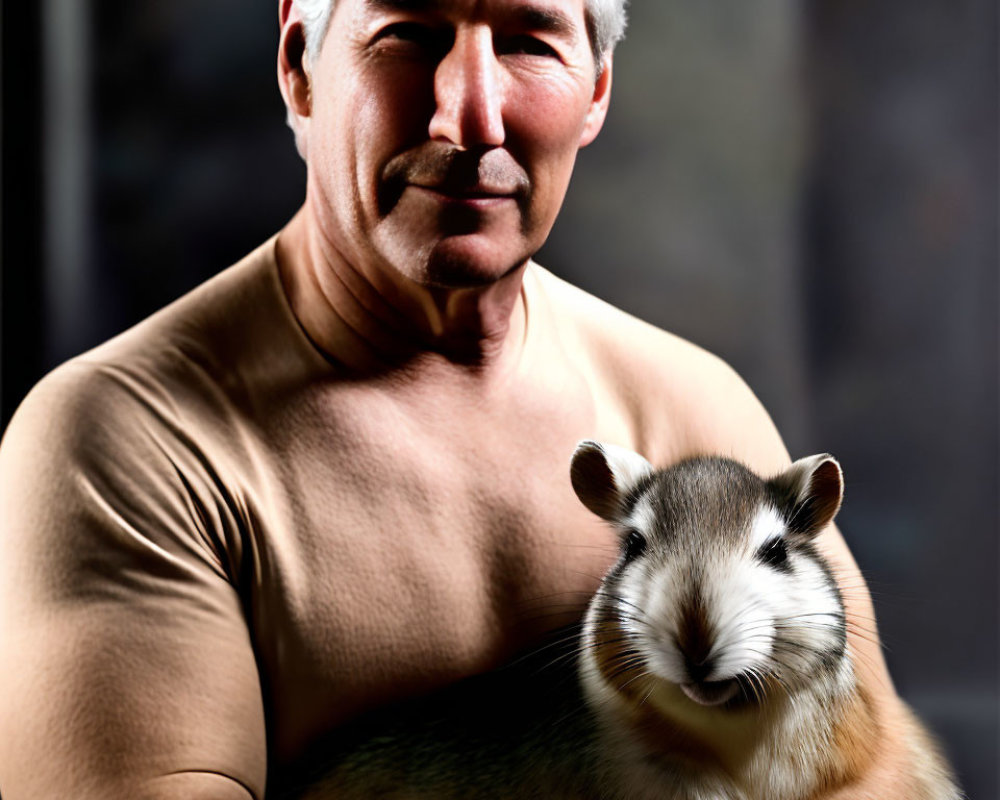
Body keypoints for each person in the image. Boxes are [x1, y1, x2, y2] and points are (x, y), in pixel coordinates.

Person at [0, 0, 918, 797]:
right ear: (299, 68)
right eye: (406, 34)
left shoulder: (689, 409)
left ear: (596, 87)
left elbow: (871, 781)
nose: (470, 116)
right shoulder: (126, 446)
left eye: (529, 40)